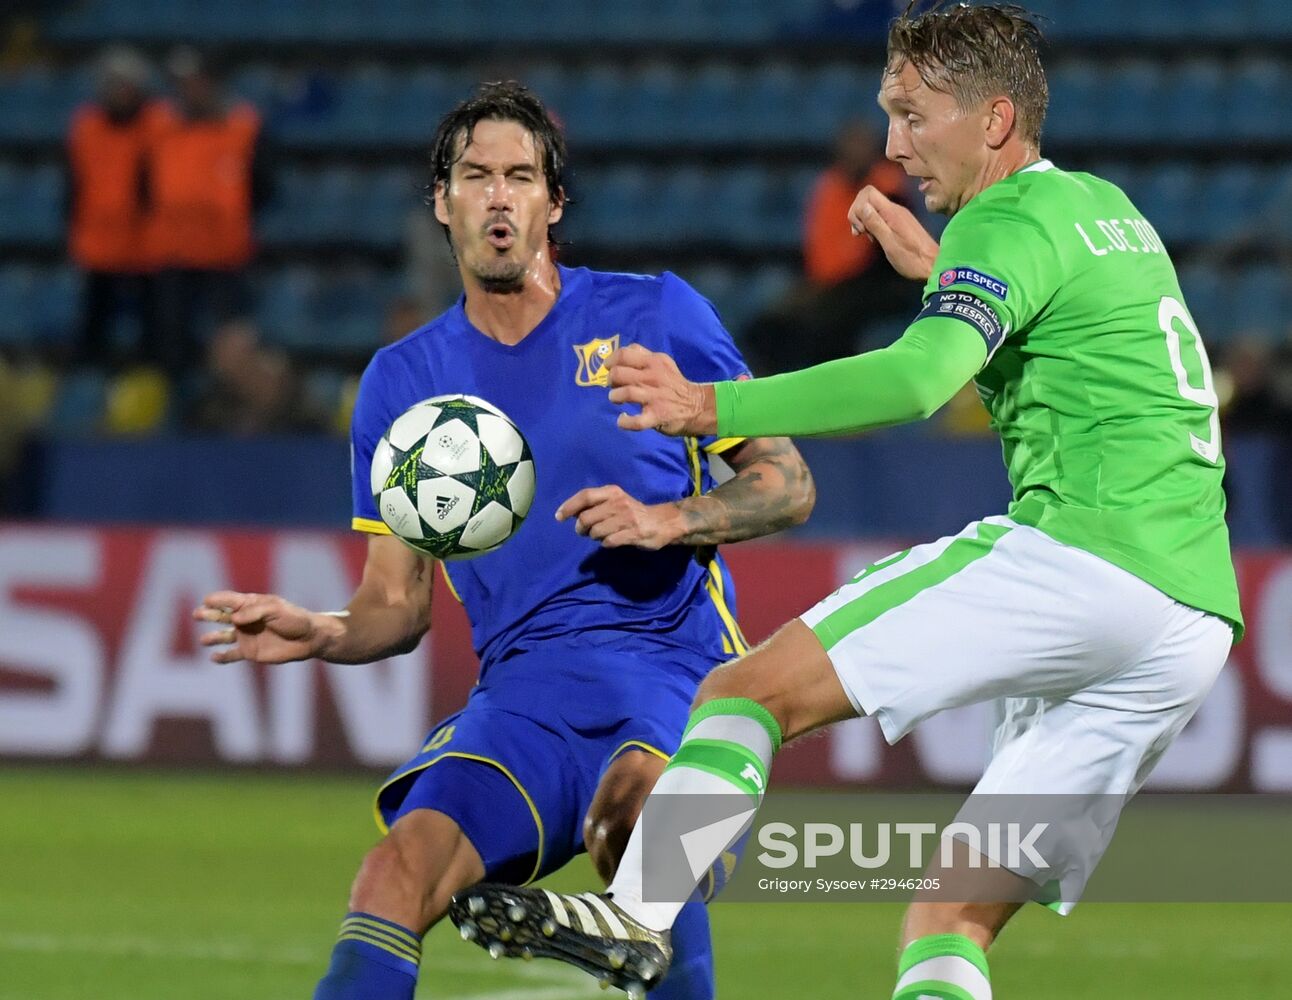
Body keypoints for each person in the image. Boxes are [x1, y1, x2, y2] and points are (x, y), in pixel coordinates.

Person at [449, 6, 1242, 1000]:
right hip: (1189, 619)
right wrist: (945, 272)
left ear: (993, 120)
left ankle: (634, 917)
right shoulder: (1103, 210)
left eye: (912, 115)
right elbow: (1068, 343)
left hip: (1085, 557)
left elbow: (916, 382)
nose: (891, 145)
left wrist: (711, 404)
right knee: (946, 916)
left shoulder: (1005, 222)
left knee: (742, 695)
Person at [193, 81, 814, 1000]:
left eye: (520, 176)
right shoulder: (404, 383)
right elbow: (395, 608)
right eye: (475, 175)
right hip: (522, 698)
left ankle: (636, 915)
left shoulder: (654, 316)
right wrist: (324, 631)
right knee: (395, 872)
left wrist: (671, 520)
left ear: (552, 203)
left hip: (675, 670)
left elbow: (788, 483)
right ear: (442, 201)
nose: (497, 196)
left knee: (639, 827)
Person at [743, 118, 912, 373]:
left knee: (828, 324)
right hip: (830, 284)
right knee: (765, 327)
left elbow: (884, 255)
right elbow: (819, 247)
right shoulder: (829, 187)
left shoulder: (889, 187)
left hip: (879, 283)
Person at [147, 47, 272, 375]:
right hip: (173, 253)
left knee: (230, 342)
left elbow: (263, 185)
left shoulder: (243, 125)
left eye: (195, 81)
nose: (188, 91)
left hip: (225, 255)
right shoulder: (159, 126)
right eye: (182, 83)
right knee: (170, 342)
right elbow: (142, 184)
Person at [65, 46, 167, 369]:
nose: (119, 91)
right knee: (94, 324)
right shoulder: (86, 126)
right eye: (112, 83)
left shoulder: (158, 124)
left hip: (145, 243)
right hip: (97, 241)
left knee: (153, 328)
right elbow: (74, 183)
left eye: (125, 83)